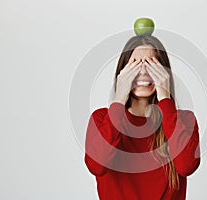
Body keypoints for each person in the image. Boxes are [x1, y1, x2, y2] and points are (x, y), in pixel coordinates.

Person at [84, 35, 201, 200]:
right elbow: (96, 166)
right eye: (135, 65)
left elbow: (186, 166)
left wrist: (166, 99)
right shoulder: (101, 119)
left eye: (152, 65)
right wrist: (119, 99)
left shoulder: (184, 120)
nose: (143, 72)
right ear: (122, 72)